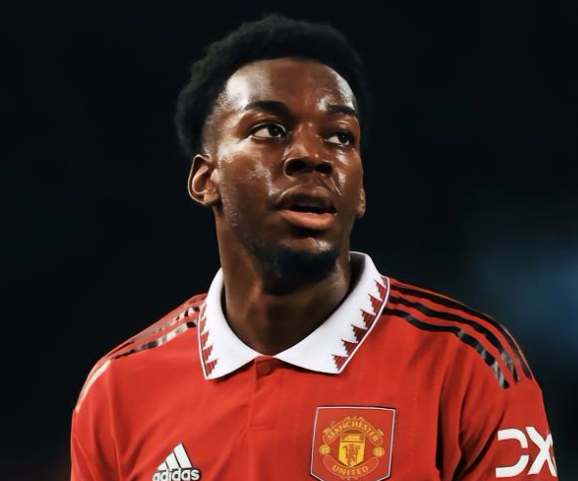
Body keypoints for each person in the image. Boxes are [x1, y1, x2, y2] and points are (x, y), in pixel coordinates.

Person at [70, 14, 558, 481]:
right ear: (206, 179)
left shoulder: (467, 363)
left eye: (341, 137)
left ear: (359, 193)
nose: (312, 155)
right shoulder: (119, 388)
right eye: (270, 130)